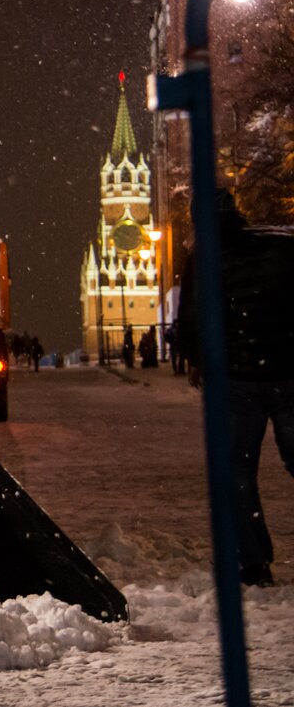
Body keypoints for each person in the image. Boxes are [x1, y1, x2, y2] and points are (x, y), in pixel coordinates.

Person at [179, 187, 294, 587]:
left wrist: (195, 360)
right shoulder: (282, 244)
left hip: (238, 378)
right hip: (289, 373)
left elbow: (191, 318)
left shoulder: (203, 259)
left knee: (237, 472)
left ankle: (254, 562)